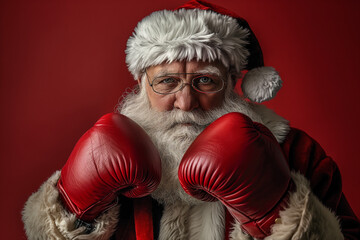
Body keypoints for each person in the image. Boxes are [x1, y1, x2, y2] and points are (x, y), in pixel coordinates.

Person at [22, 0, 359, 239]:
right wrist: (71, 211)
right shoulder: (105, 151)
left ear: (232, 83)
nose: (185, 102)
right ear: (142, 84)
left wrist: (278, 212)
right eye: (167, 82)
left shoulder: (295, 152)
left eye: (205, 81)